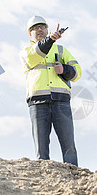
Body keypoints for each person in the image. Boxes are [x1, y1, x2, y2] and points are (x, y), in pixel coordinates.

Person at [20, 15, 81, 166]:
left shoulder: (61, 50)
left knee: (69, 145)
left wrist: (65, 69)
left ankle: (74, 174)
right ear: (30, 33)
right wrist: (51, 40)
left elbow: (77, 72)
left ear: (47, 30)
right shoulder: (27, 51)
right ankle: (43, 176)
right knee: (41, 148)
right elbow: (37, 54)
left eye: (42, 27)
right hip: (38, 103)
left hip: (61, 101)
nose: (39, 30)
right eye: (35, 28)